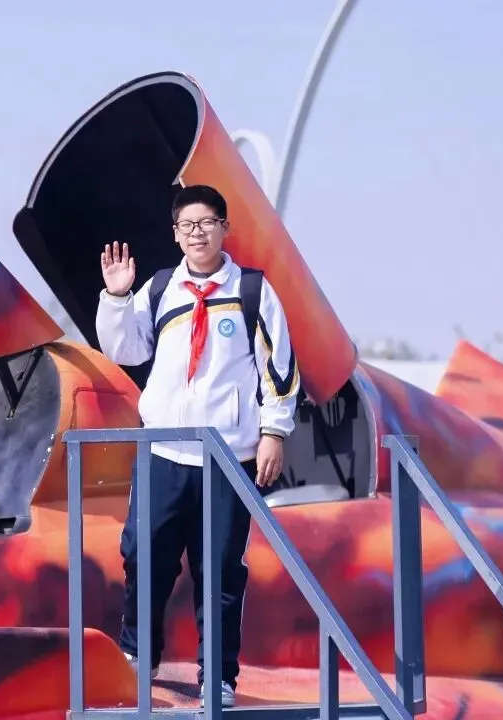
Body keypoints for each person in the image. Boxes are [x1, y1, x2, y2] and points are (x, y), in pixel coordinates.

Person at [95, 184, 299, 707]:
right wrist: (117, 298)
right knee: (142, 553)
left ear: (224, 228)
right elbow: (124, 349)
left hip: (227, 457)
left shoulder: (252, 290)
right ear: (175, 234)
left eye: (207, 223)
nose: (197, 233)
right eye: (187, 226)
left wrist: (274, 432)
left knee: (220, 567)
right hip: (163, 451)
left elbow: (279, 368)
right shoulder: (162, 289)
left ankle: (218, 676)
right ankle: (139, 652)